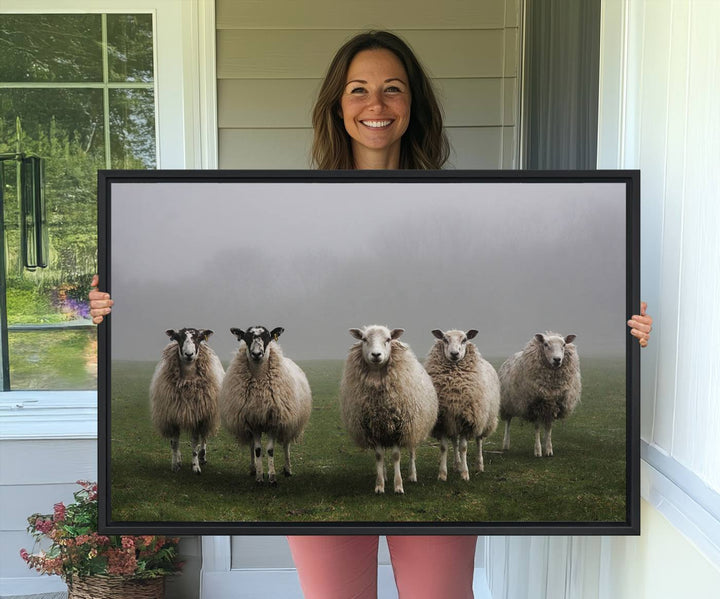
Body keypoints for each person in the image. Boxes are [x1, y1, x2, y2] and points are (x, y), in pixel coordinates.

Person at [89, 30, 653, 599]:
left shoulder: (456, 206)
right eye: (358, 90)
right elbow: (229, 274)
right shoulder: (292, 205)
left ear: (414, 104)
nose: (376, 105)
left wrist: (628, 324)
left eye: (393, 89)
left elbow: (519, 271)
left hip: (414, 386)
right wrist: (109, 306)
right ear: (338, 104)